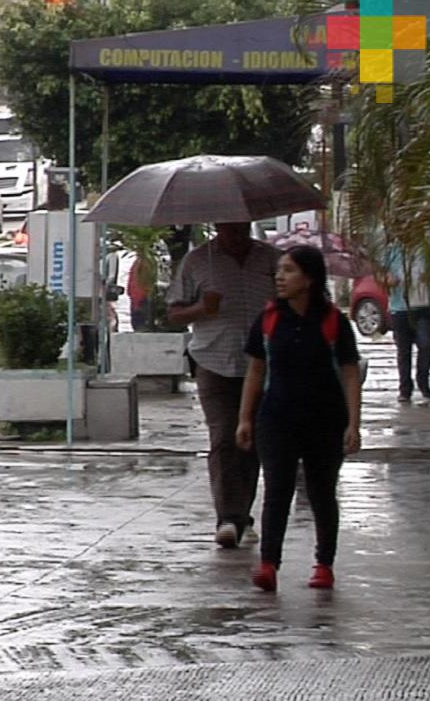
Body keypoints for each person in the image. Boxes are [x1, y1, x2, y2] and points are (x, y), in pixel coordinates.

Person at [236, 245, 362, 592]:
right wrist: (245, 418)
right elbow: (256, 370)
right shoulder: (268, 319)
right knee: (277, 490)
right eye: (279, 270)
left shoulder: (334, 321)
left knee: (322, 492)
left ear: (309, 279)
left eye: (288, 270)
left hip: (325, 420)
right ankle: (268, 565)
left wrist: (354, 423)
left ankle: (324, 564)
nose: (280, 277)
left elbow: (350, 373)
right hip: (276, 418)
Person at [167, 222, 281, 549]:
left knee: (253, 440)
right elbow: (174, 312)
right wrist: (201, 308)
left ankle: (242, 514)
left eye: (241, 225)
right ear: (217, 225)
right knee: (223, 436)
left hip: (263, 365)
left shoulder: (273, 260)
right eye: (229, 226)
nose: (236, 231)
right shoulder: (198, 262)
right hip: (214, 360)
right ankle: (228, 518)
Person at [384, 245, 430, 404]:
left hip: (423, 306)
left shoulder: (426, 250)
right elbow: (380, 275)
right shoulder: (392, 251)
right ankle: (405, 389)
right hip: (400, 308)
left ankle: (423, 381)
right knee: (403, 350)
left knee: (425, 345)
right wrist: (388, 279)